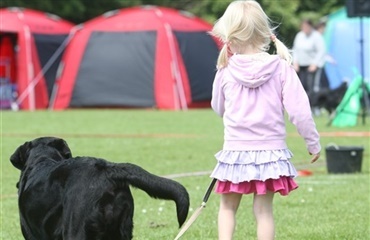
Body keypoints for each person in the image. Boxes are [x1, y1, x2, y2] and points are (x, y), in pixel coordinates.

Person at [209, 1, 321, 240]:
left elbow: (218, 108)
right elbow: (300, 112)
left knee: (227, 207)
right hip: (271, 154)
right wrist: (313, 143)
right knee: (263, 211)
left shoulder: (225, 71)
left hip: (235, 152)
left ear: (229, 35)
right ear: (263, 32)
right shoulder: (281, 68)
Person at [292, 19, 326, 95]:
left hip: (312, 66)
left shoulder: (316, 36)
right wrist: (295, 62)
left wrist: (315, 64)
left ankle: (312, 105)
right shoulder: (299, 35)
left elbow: (321, 51)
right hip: (301, 66)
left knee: (311, 88)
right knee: (301, 86)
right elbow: (295, 50)